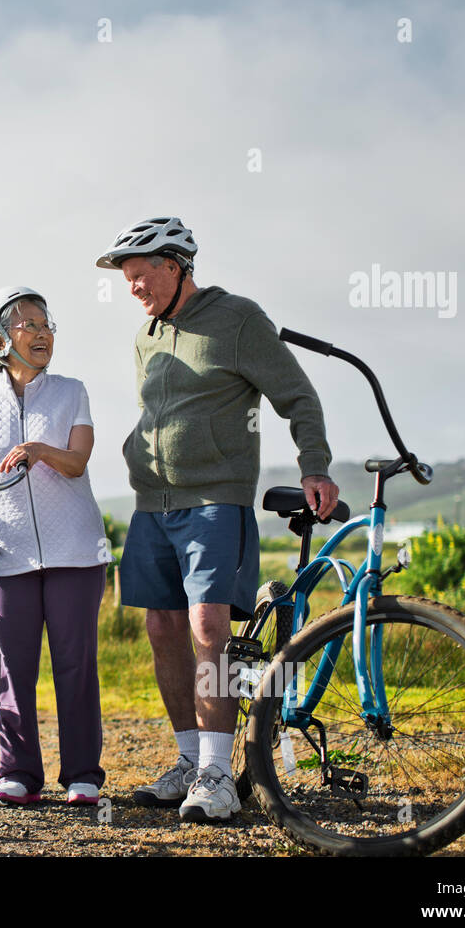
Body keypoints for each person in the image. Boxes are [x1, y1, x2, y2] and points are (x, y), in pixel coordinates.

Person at [96, 216, 339, 822]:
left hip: (215, 501)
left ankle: (218, 774)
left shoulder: (238, 319)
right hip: (152, 504)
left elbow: (297, 395)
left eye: (140, 275)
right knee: (162, 630)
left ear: (174, 266)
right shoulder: (147, 334)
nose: (133, 288)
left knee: (209, 630)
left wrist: (315, 465)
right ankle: (187, 763)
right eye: (126, 279)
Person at [0, 285, 110, 806]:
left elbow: (77, 461)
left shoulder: (71, 390)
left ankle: (82, 775)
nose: (41, 334)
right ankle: (18, 773)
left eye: (46, 325)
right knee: (11, 668)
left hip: (76, 550)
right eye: (28, 325)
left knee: (75, 665)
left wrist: (39, 449)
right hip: (8, 554)